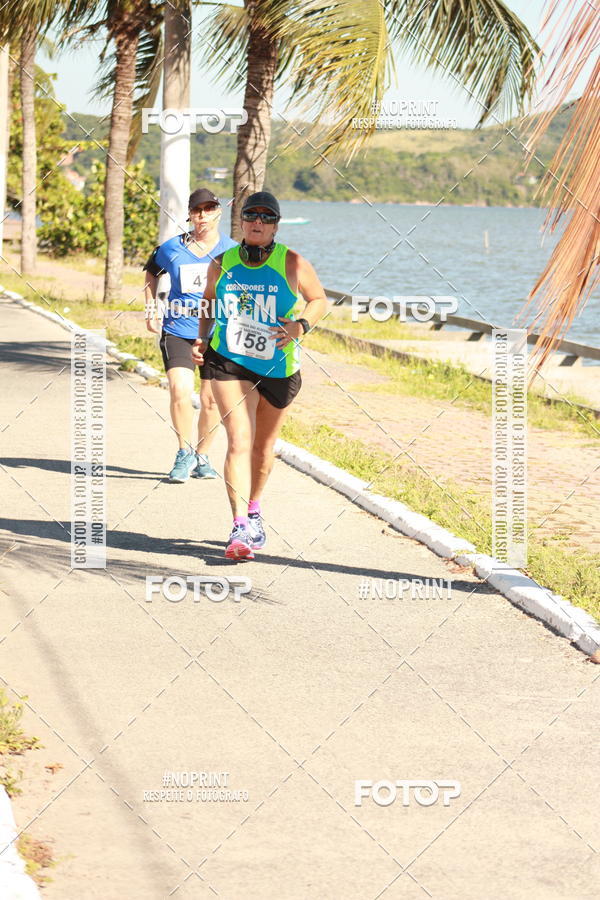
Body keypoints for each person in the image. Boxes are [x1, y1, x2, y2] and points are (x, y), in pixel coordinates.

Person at [192, 190, 328, 559]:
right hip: (228, 360)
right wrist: (201, 338)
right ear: (242, 222)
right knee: (239, 438)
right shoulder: (221, 263)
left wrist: (301, 326)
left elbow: (319, 300)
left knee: (263, 447)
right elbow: (207, 302)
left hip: (278, 366)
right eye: (252, 216)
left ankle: (254, 510)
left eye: (267, 218)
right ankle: (238, 527)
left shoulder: (293, 263)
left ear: (275, 226)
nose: (258, 223)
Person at [144, 188, 237, 482]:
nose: (203, 216)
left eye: (209, 209)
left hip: (216, 335)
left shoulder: (232, 251)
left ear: (218, 212)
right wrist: (152, 309)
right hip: (178, 330)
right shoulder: (172, 248)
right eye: (197, 210)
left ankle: (203, 456)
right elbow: (151, 272)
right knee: (180, 391)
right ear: (190, 215)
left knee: (211, 402)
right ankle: (183, 453)